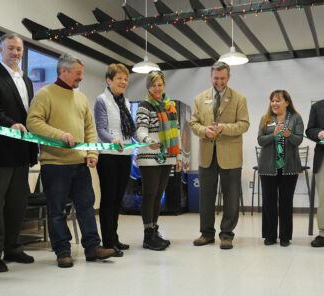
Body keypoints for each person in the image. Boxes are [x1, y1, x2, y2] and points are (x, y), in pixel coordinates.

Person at [26, 53, 116, 268]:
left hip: (80, 164)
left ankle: (93, 248)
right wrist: (60, 135)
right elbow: (33, 122)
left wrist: (92, 154)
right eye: (78, 73)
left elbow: (90, 129)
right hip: (55, 164)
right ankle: (63, 251)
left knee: (86, 207)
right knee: (57, 210)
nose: (81, 77)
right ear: (63, 71)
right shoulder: (45, 94)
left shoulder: (81, 98)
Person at [0, 33, 38, 272]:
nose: (15, 53)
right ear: (0, 50)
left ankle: (13, 248)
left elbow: (30, 116)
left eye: (19, 49)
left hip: (22, 153)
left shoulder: (28, 81)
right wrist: (10, 124)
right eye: (11, 49)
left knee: (17, 204)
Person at [190, 61, 249, 250]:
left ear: (229, 77)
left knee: (231, 197)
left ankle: (227, 234)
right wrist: (203, 131)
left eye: (223, 78)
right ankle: (206, 234)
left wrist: (223, 128)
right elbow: (193, 124)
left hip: (230, 156)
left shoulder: (239, 98)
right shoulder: (200, 98)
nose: (219, 82)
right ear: (211, 77)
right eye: (216, 78)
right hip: (207, 155)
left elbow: (244, 124)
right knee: (206, 197)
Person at [136, 70, 182, 251]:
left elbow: (176, 133)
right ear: (148, 87)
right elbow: (140, 130)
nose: (157, 88)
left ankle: (154, 230)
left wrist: (178, 157)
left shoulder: (170, 106)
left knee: (158, 195)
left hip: (168, 156)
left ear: (164, 85)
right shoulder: (144, 106)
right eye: (153, 85)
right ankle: (148, 235)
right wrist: (148, 140)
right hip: (149, 156)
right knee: (150, 194)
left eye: (160, 84)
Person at [94, 64, 135, 256]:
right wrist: (113, 141)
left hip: (125, 154)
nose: (123, 82)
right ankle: (108, 242)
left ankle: (115, 238)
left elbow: (131, 129)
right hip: (108, 156)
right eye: (119, 78)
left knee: (118, 199)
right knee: (108, 200)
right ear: (109, 80)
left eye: (125, 79)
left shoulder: (126, 102)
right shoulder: (101, 100)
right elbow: (101, 129)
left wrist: (144, 140)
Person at [258, 90, 303, 247]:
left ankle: (285, 237)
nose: (274, 104)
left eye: (278, 100)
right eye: (272, 101)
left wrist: (288, 134)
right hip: (267, 167)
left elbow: (298, 141)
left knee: (286, 202)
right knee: (269, 202)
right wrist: (274, 135)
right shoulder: (266, 119)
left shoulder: (296, 118)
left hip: (289, 167)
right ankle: (270, 236)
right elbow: (260, 140)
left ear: (287, 102)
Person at [306, 99, 324, 247]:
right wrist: (319, 133)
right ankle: (323, 233)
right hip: (323, 156)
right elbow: (310, 130)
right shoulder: (317, 107)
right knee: (323, 196)